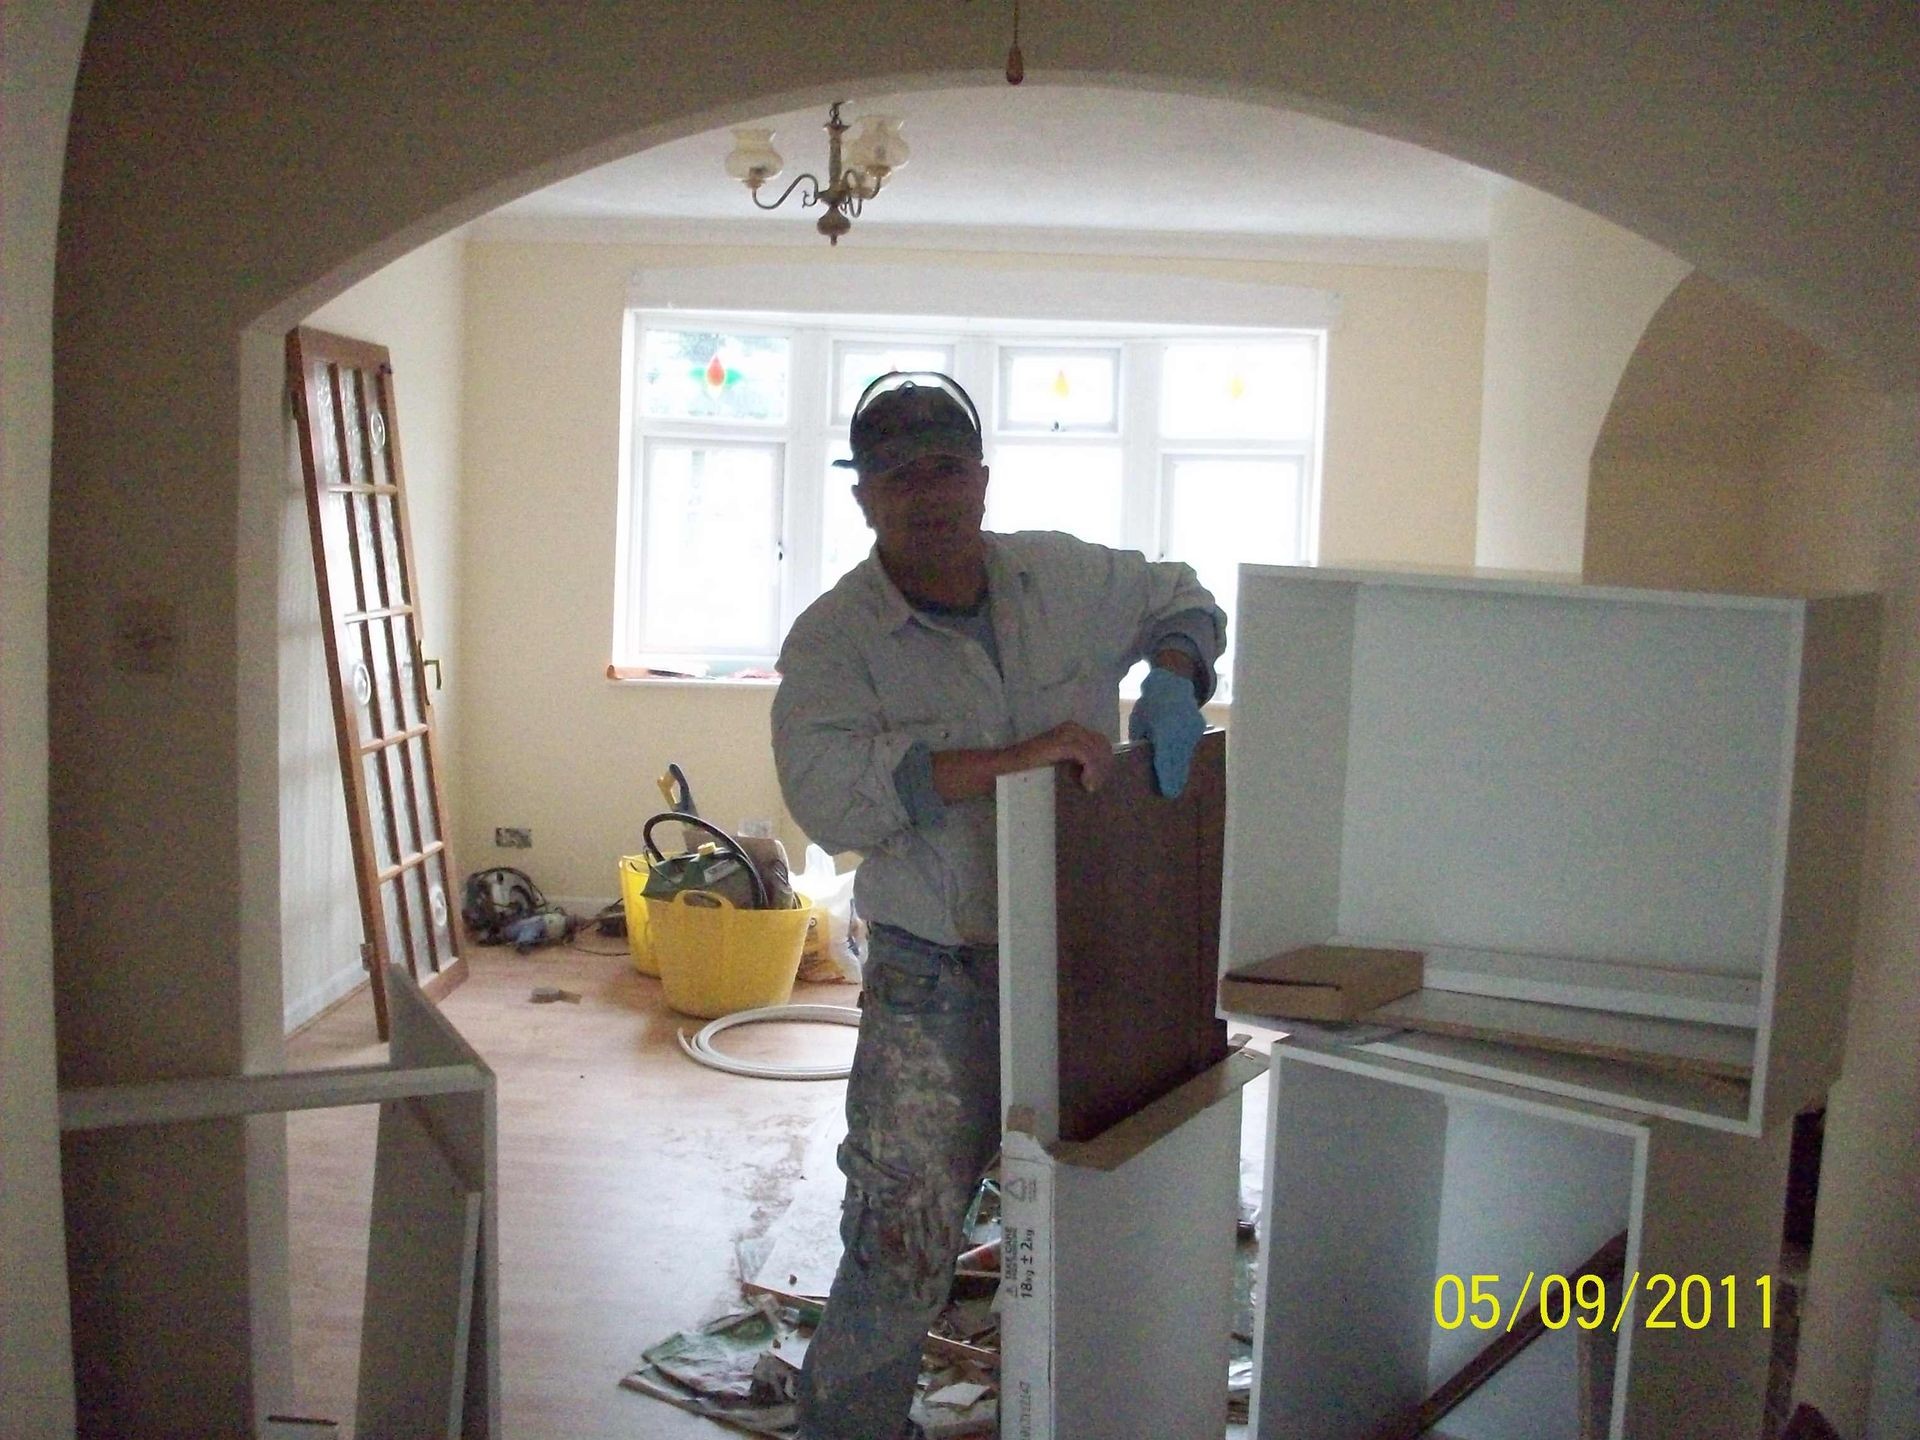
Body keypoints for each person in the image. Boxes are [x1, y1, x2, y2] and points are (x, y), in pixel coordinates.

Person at [770, 371, 1224, 1440]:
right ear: (864, 498)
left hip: (1083, 957)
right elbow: (825, 791)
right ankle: (852, 1429)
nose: (928, 494)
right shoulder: (837, 638)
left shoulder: (1061, 577)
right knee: (904, 1227)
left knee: (1091, 1203)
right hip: (939, 969)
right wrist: (1010, 764)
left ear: (981, 478)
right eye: (898, 476)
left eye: (946, 468)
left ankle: (1079, 1409)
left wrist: (1173, 672)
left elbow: (1185, 596)